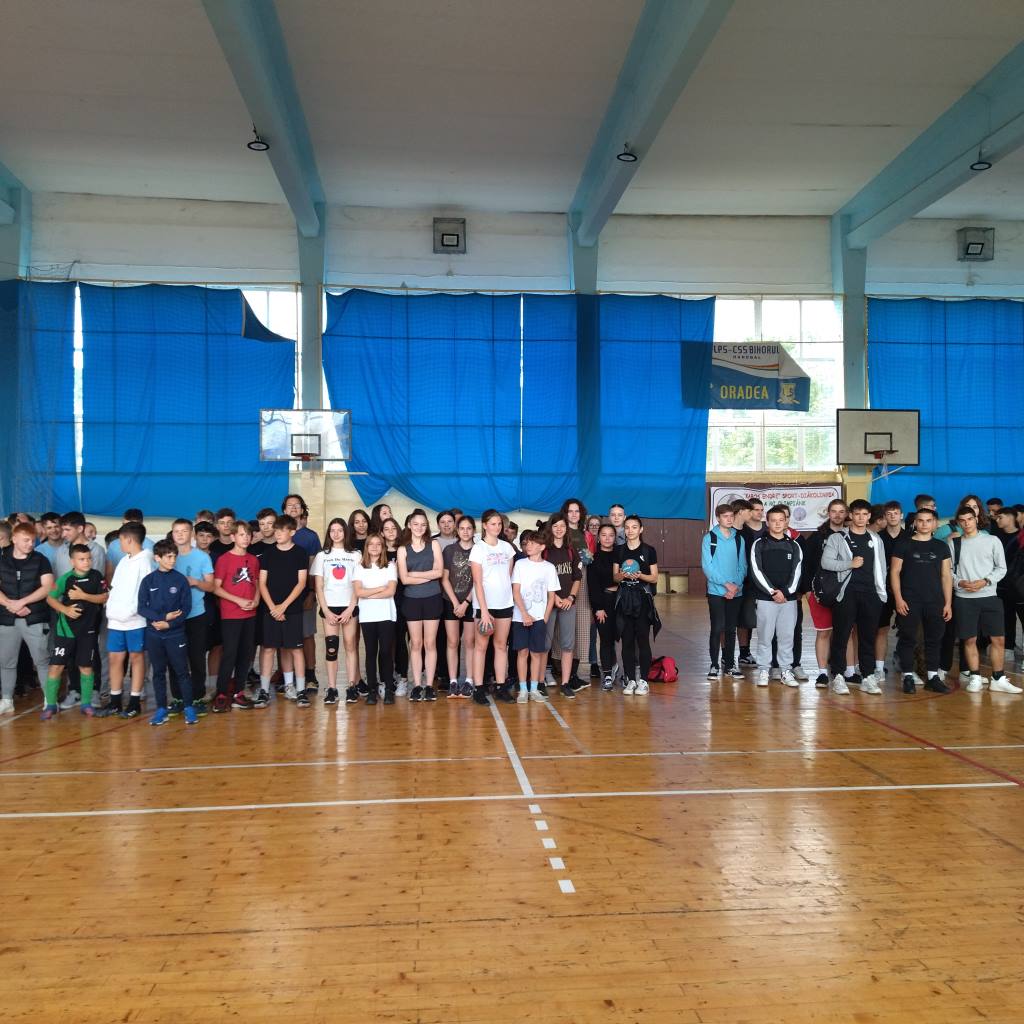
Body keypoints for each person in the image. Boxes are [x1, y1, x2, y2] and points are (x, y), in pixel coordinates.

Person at [821, 498, 888, 695]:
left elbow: (882, 567)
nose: (860, 518)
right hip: (846, 593)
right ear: (851, 515)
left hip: (871, 594)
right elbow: (826, 563)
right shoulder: (838, 538)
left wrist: (881, 593)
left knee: (867, 637)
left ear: (869, 517)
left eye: (864, 514)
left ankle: (867, 676)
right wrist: (849, 564)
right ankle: (838, 676)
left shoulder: (876, 539)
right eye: (857, 514)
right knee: (841, 636)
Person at [950, 505, 1019, 693]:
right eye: (962, 521)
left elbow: (1001, 568)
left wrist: (985, 581)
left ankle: (998, 678)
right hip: (964, 598)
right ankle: (974, 676)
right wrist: (960, 582)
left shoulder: (992, 540)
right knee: (969, 639)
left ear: (976, 519)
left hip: (989, 596)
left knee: (999, 639)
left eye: (969, 519)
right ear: (958, 523)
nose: (966, 523)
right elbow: (948, 571)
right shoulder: (954, 543)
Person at [890, 508, 952, 694]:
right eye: (921, 520)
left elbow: (946, 576)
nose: (924, 524)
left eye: (928, 520)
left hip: (935, 601)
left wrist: (948, 603)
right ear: (915, 523)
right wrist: (898, 599)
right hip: (910, 600)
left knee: (934, 639)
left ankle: (932, 677)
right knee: (908, 638)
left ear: (935, 524)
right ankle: (908, 676)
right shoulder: (903, 544)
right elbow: (894, 572)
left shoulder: (941, 547)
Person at [41, 543, 107, 720]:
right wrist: (66, 610)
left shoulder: (96, 576)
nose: (87, 562)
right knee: (56, 666)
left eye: (89, 558)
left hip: (88, 631)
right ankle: (51, 705)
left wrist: (83, 596)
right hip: (66, 631)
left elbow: (104, 597)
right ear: (72, 561)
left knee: (86, 667)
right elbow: (50, 598)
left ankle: (86, 704)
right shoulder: (66, 579)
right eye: (82, 559)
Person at [96, 521, 154, 717]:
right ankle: (115, 701)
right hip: (116, 619)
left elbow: (145, 592)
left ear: (128, 539)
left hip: (135, 620)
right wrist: (111, 608)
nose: (118, 544)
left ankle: (135, 701)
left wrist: (132, 610)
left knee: (136, 657)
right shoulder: (123, 561)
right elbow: (115, 588)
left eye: (120, 539)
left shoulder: (145, 561)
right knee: (115, 658)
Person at [138, 539, 198, 726]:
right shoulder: (148, 580)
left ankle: (189, 708)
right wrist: (162, 618)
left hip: (175, 634)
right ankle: (161, 709)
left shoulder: (180, 580)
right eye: (168, 557)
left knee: (182, 671)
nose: (172, 560)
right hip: (154, 634)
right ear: (157, 558)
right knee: (158, 673)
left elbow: (186, 609)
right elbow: (142, 608)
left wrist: (169, 625)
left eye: (174, 556)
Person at [53, 512, 107, 711]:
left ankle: (93, 690)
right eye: (63, 529)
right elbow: (58, 583)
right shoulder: (60, 551)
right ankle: (74, 689)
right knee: (70, 653)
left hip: (90, 612)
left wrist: (83, 597)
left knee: (91, 653)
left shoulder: (96, 550)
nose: (63, 533)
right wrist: (64, 607)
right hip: (66, 612)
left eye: (67, 529)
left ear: (80, 528)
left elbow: (95, 581)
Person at [0, 523, 55, 715]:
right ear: (14, 539)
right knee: (6, 662)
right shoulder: (2, 559)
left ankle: (50, 700)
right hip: (7, 618)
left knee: (42, 660)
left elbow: (47, 586)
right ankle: (7, 700)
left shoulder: (41, 560)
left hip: (35, 617)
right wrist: (10, 604)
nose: (30, 544)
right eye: (26, 540)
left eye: (33, 540)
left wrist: (22, 602)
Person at [257, 514, 309, 706]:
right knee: (269, 648)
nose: (277, 533)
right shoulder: (268, 553)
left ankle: (299, 690)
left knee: (294, 648)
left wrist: (283, 606)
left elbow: (301, 583)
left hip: (292, 610)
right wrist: (273, 608)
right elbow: (262, 583)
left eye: (282, 530)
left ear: (292, 532)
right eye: (276, 530)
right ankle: (263, 690)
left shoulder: (300, 553)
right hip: (270, 609)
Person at [748, 506, 802, 688]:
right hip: (766, 599)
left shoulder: (794, 545)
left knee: (787, 637)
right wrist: (772, 591)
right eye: (773, 520)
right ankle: (764, 670)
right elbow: (756, 571)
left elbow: (797, 572)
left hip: (788, 600)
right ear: (767, 522)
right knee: (765, 637)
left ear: (786, 522)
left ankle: (786, 671)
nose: (777, 524)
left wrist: (785, 592)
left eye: (781, 520)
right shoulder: (759, 544)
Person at [311, 517, 361, 706]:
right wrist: (325, 610)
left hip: (349, 606)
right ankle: (332, 688)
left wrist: (351, 608)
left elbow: (358, 584)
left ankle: (351, 686)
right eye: (332, 530)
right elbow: (318, 586)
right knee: (331, 648)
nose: (336, 534)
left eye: (340, 530)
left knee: (350, 646)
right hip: (329, 607)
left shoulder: (355, 554)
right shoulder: (322, 556)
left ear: (345, 532)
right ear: (329, 533)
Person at [800, 499, 850, 688]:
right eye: (834, 511)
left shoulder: (852, 535)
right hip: (821, 592)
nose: (837, 515)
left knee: (847, 633)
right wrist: (807, 591)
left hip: (846, 592)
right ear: (828, 513)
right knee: (824, 632)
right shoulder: (816, 537)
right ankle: (822, 673)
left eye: (841, 511)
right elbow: (805, 565)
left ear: (846, 514)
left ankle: (849, 672)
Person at [211, 520, 260, 712]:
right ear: (232, 537)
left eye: (248, 534)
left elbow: (256, 583)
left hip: (250, 613)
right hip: (231, 614)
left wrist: (256, 599)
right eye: (241, 534)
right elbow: (216, 588)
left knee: (245, 654)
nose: (245, 538)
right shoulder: (224, 559)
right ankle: (222, 693)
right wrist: (238, 601)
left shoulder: (253, 560)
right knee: (229, 654)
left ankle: (239, 692)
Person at [469, 510, 516, 706]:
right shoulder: (478, 549)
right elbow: (478, 582)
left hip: (505, 603)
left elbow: (508, 576)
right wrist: (484, 611)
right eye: (493, 524)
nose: (497, 527)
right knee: (481, 647)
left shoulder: (507, 548)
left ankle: (500, 686)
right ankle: (478, 689)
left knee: (501, 646)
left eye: (499, 524)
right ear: (485, 525)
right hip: (484, 607)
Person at [397, 510, 444, 701]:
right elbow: (404, 579)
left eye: (423, 524)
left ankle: (429, 685)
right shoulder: (403, 549)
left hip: (432, 598)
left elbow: (439, 572)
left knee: (430, 643)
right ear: (409, 525)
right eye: (415, 524)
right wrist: (428, 575)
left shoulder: (434, 544)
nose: (419, 527)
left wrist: (414, 574)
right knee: (415, 644)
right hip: (412, 600)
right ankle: (416, 685)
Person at [511, 529, 560, 703]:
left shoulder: (549, 568)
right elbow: (516, 591)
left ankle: (534, 688)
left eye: (533, 543)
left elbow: (551, 596)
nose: (528, 546)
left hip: (539, 619)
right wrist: (524, 614)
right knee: (522, 652)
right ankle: (523, 689)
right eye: (527, 543)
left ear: (542, 547)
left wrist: (544, 618)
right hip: (520, 617)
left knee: (537, 653)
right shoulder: (520, 564)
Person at [170, 518, 214, 709]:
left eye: (184, 531)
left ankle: (197, 697)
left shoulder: (202, 557)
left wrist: (195, 582)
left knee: (196, 658)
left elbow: (211, 586)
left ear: (192, 534)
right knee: (175, 658)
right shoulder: (167, 555)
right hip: (173, 616)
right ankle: (178, 697)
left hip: (196, 615)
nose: (180, 534)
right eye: (176, 531)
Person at [613, 515, 660, 694]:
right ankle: (631, 679)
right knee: (627, 641)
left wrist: (640, 575)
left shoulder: (649, 550)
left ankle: (644, 681)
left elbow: (654, 577)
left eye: (634, 527)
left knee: (642, 640)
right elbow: (615, 577)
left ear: (641, 529)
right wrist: (623, 575)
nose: (630, 530)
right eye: (627, 527)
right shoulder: (619, 550)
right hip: (624, 600)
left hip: (642, 600)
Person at [701, 503, 746, 679]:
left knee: (731, 629)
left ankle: (730, 665)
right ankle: (714, 665)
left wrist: (735, 586)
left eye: (731, 516)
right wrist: (726, 585)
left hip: (735, 592)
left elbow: (743, 566)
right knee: (717, 628)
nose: (729, 519)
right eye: (725, 516)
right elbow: (708, 566)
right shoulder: (709, 538)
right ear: (718, 518)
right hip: (716, 592)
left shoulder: (739, 539)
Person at [352, 533, 398, 705]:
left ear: (383, 547)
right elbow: (358, 592)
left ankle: (388, 689)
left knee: (385, 652)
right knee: (371, 652)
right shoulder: (359, 567)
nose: (374, 547)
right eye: (371, 544)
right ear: (366, 547)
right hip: (367, 616)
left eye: (378, 544)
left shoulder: (390, 566)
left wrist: (368, 594)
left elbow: (390, 591)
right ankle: (372, 689)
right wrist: (380, 588)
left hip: (386, 614)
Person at [283, 494, 322, 693]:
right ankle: (286, 676)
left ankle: (310, 674)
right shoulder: (279, 533)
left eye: (297, 505)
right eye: (289, 505)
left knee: (307, 635)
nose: (293, 508)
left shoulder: (310, 537)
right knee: (284, 637)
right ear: (284, 510)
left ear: (302, 509)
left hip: (305, 594)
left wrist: (312, 593)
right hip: (282, 596)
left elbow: (315, 568)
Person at [542, 513, 583, 699]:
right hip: (549, 602)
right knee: (545, 644)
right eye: (555, 526)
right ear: (550, 528)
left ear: (567, 529)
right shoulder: (545, 550)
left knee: (568, 644)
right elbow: (541, 577)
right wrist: (555, 597)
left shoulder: (571, 550)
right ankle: (540, 681)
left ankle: (565, 683)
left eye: (562, 526)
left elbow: (577, 578)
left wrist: (571, 597)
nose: (559, 529)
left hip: (568, 603)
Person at [441, 514, 476, 698]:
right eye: (462, 528)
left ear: (474, 530)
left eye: (469, 528)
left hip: (471, 602)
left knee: (469, 642)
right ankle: (453, 681)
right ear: (457, 530)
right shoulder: (449, 550)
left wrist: (466, 602)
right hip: (451, 602)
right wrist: (456, 602)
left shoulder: (479, 550)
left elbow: (479, 580)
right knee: (452, 642)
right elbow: (444, 579)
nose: (465, 532)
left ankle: (469, 680)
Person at [875, 500, 908, 677]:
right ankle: (879, 667)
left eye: (896, 513)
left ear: (901, 515)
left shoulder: (911, 537)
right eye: (889, 514)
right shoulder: (877, 538)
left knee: (908, 629)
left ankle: (907, 666)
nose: (893, 516)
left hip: (906, 590)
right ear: (885, 517)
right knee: (881, 629)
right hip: (882, 590)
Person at [588, 524, 620, 690]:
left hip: (621, 601)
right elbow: (593, 585)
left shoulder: (620, 555)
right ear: (598, 538)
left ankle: (625, 672)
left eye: (611, 535)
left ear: (615, 537)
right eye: (604, 535)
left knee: (623, 637)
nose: (607, 538)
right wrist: (598, 607)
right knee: (606, 639)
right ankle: (607, 674)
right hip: (603, 602)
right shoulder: (594, 558)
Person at [735, 498, 765, 667]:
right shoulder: (737, 531)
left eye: (761, 510)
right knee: (734, 621)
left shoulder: (764, 530)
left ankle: (748, 652)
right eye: (755, 510)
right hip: (737, 583)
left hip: (757, 582)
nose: (759, 513)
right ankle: (733, 654)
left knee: (751, 619)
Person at [105, 508, 156, 577]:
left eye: (130, 526)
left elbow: (153, 574)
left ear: (140, 525)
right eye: (124, 525)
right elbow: (109, 573)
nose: (125, 529)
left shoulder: (151, 547)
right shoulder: (114, 545)